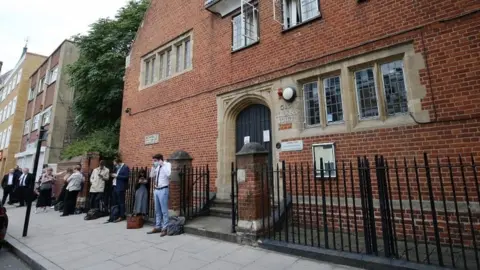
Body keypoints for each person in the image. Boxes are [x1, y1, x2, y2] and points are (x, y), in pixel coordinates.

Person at [147, 154, 171, 237]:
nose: (154, 162)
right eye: (153, 160)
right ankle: (158, 226)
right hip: (156, 190)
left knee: (164, 210)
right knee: (157, 210)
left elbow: (169, 174)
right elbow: (151, 176)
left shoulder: (167, 165)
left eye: (155, 160)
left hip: (163, 189)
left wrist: (162, 165)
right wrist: (153, 167)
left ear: (160, 160)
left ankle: (165, 228)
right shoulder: (156, 167)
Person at [110, 157, 130, 223]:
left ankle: (122, 216)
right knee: (115, 201)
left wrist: (117, 176)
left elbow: (126, 177)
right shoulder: (117, 168)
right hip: (115, 186)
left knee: (121, 202)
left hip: (121, 187)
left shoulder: (125, 167)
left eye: (115, 164)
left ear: (118, 162)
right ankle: (115, 214)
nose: (115, 165)